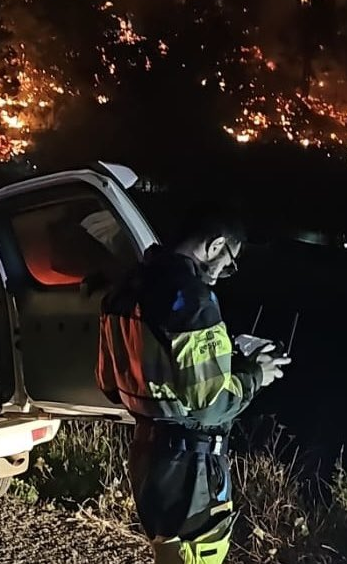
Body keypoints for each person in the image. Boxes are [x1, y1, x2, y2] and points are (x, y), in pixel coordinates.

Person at [96, 208, 290, 563]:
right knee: (199, 553)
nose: (224, 274)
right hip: (191, 463)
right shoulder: (192, 299)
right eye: (229, 262)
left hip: (146, 458)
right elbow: (210, 404)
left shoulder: (125, 288)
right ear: (215, 245)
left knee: (169, 552)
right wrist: (257, 375)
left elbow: (110, 382)